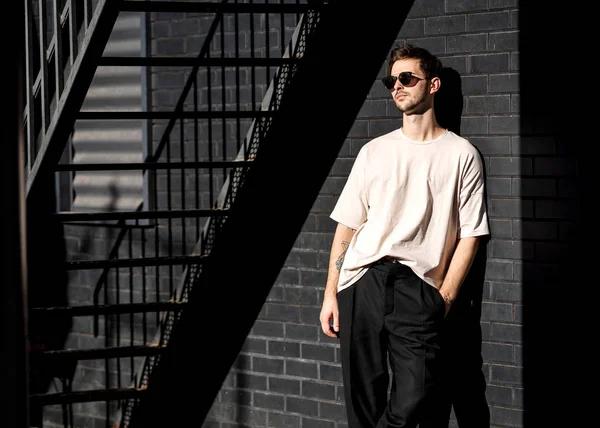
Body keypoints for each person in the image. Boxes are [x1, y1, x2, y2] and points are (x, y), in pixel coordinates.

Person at [319, 44, 490, 428]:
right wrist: (331, 292)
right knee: (361, 398)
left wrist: (443, 298)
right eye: (391, 80)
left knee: (416, 393)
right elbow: (347, 225)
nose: (397, 86)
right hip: (361, 282)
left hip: (418, 287)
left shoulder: (461, 154)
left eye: (406, 78)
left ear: (433, 84)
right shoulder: (373, 152)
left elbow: (472, 234)